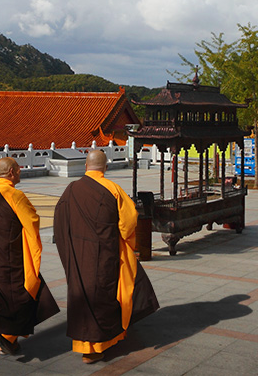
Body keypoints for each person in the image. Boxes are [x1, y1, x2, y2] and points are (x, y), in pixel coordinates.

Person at [53, 149, 159, 364]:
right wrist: (124, 244)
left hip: (78, 254)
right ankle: (101, 343)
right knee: (104, 293)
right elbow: (129, 223)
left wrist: (69, 249)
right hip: (104, 254)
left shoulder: (70, 189)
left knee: (81, 293)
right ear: (106, 168)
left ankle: (85, 346)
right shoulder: (113, 189)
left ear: (85, 166)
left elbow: (60, 221)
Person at [0, 156, 59, 355]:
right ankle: (6, 337)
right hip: (11, 256)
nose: (21, 171)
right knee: (19, 294)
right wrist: (34, 251)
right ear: (12, 172)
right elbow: (32, 222)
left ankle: (3, 339)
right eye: (19, 168)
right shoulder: (15, 196)